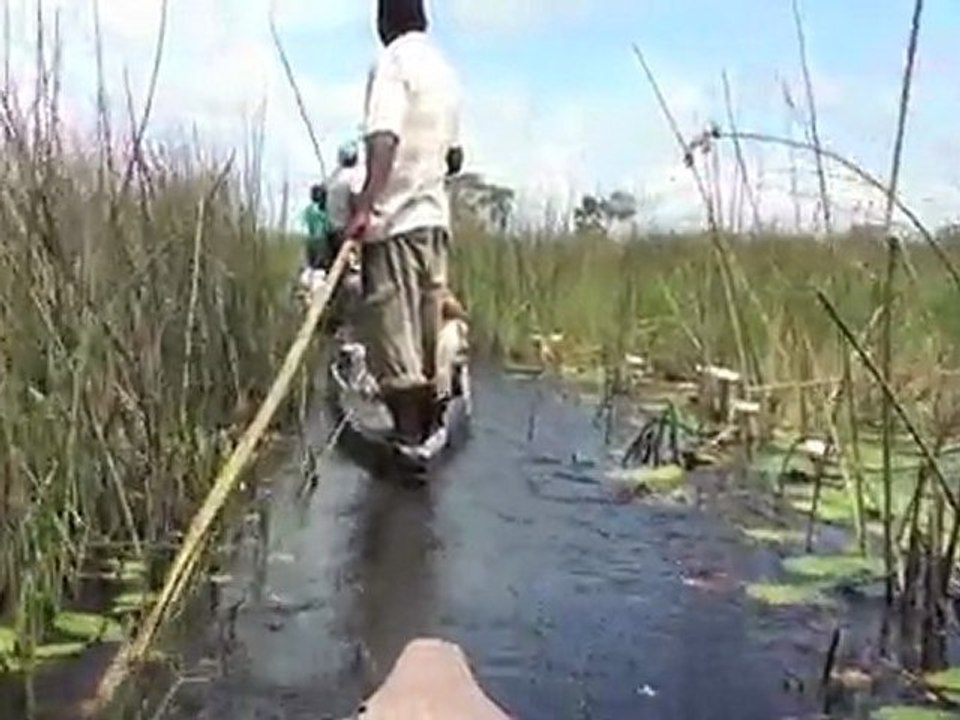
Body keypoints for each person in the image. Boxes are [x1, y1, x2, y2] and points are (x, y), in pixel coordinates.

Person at [345, 0, 464, 446]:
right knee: (429, 335)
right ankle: (430, 434)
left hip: (394, 223)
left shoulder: (392, 61)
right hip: (434, 222)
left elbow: (384, 136)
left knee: (395, 341)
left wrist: (366, 205)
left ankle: (408, 439)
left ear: (384, 22)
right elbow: (454, 156)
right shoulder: (444, 71)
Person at [301, 183, 331, 269]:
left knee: (311, 264)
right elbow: (328, 226)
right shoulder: (322, 210)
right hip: (321, 240)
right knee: (321, 264)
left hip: (310, 240)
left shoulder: (308, 209)